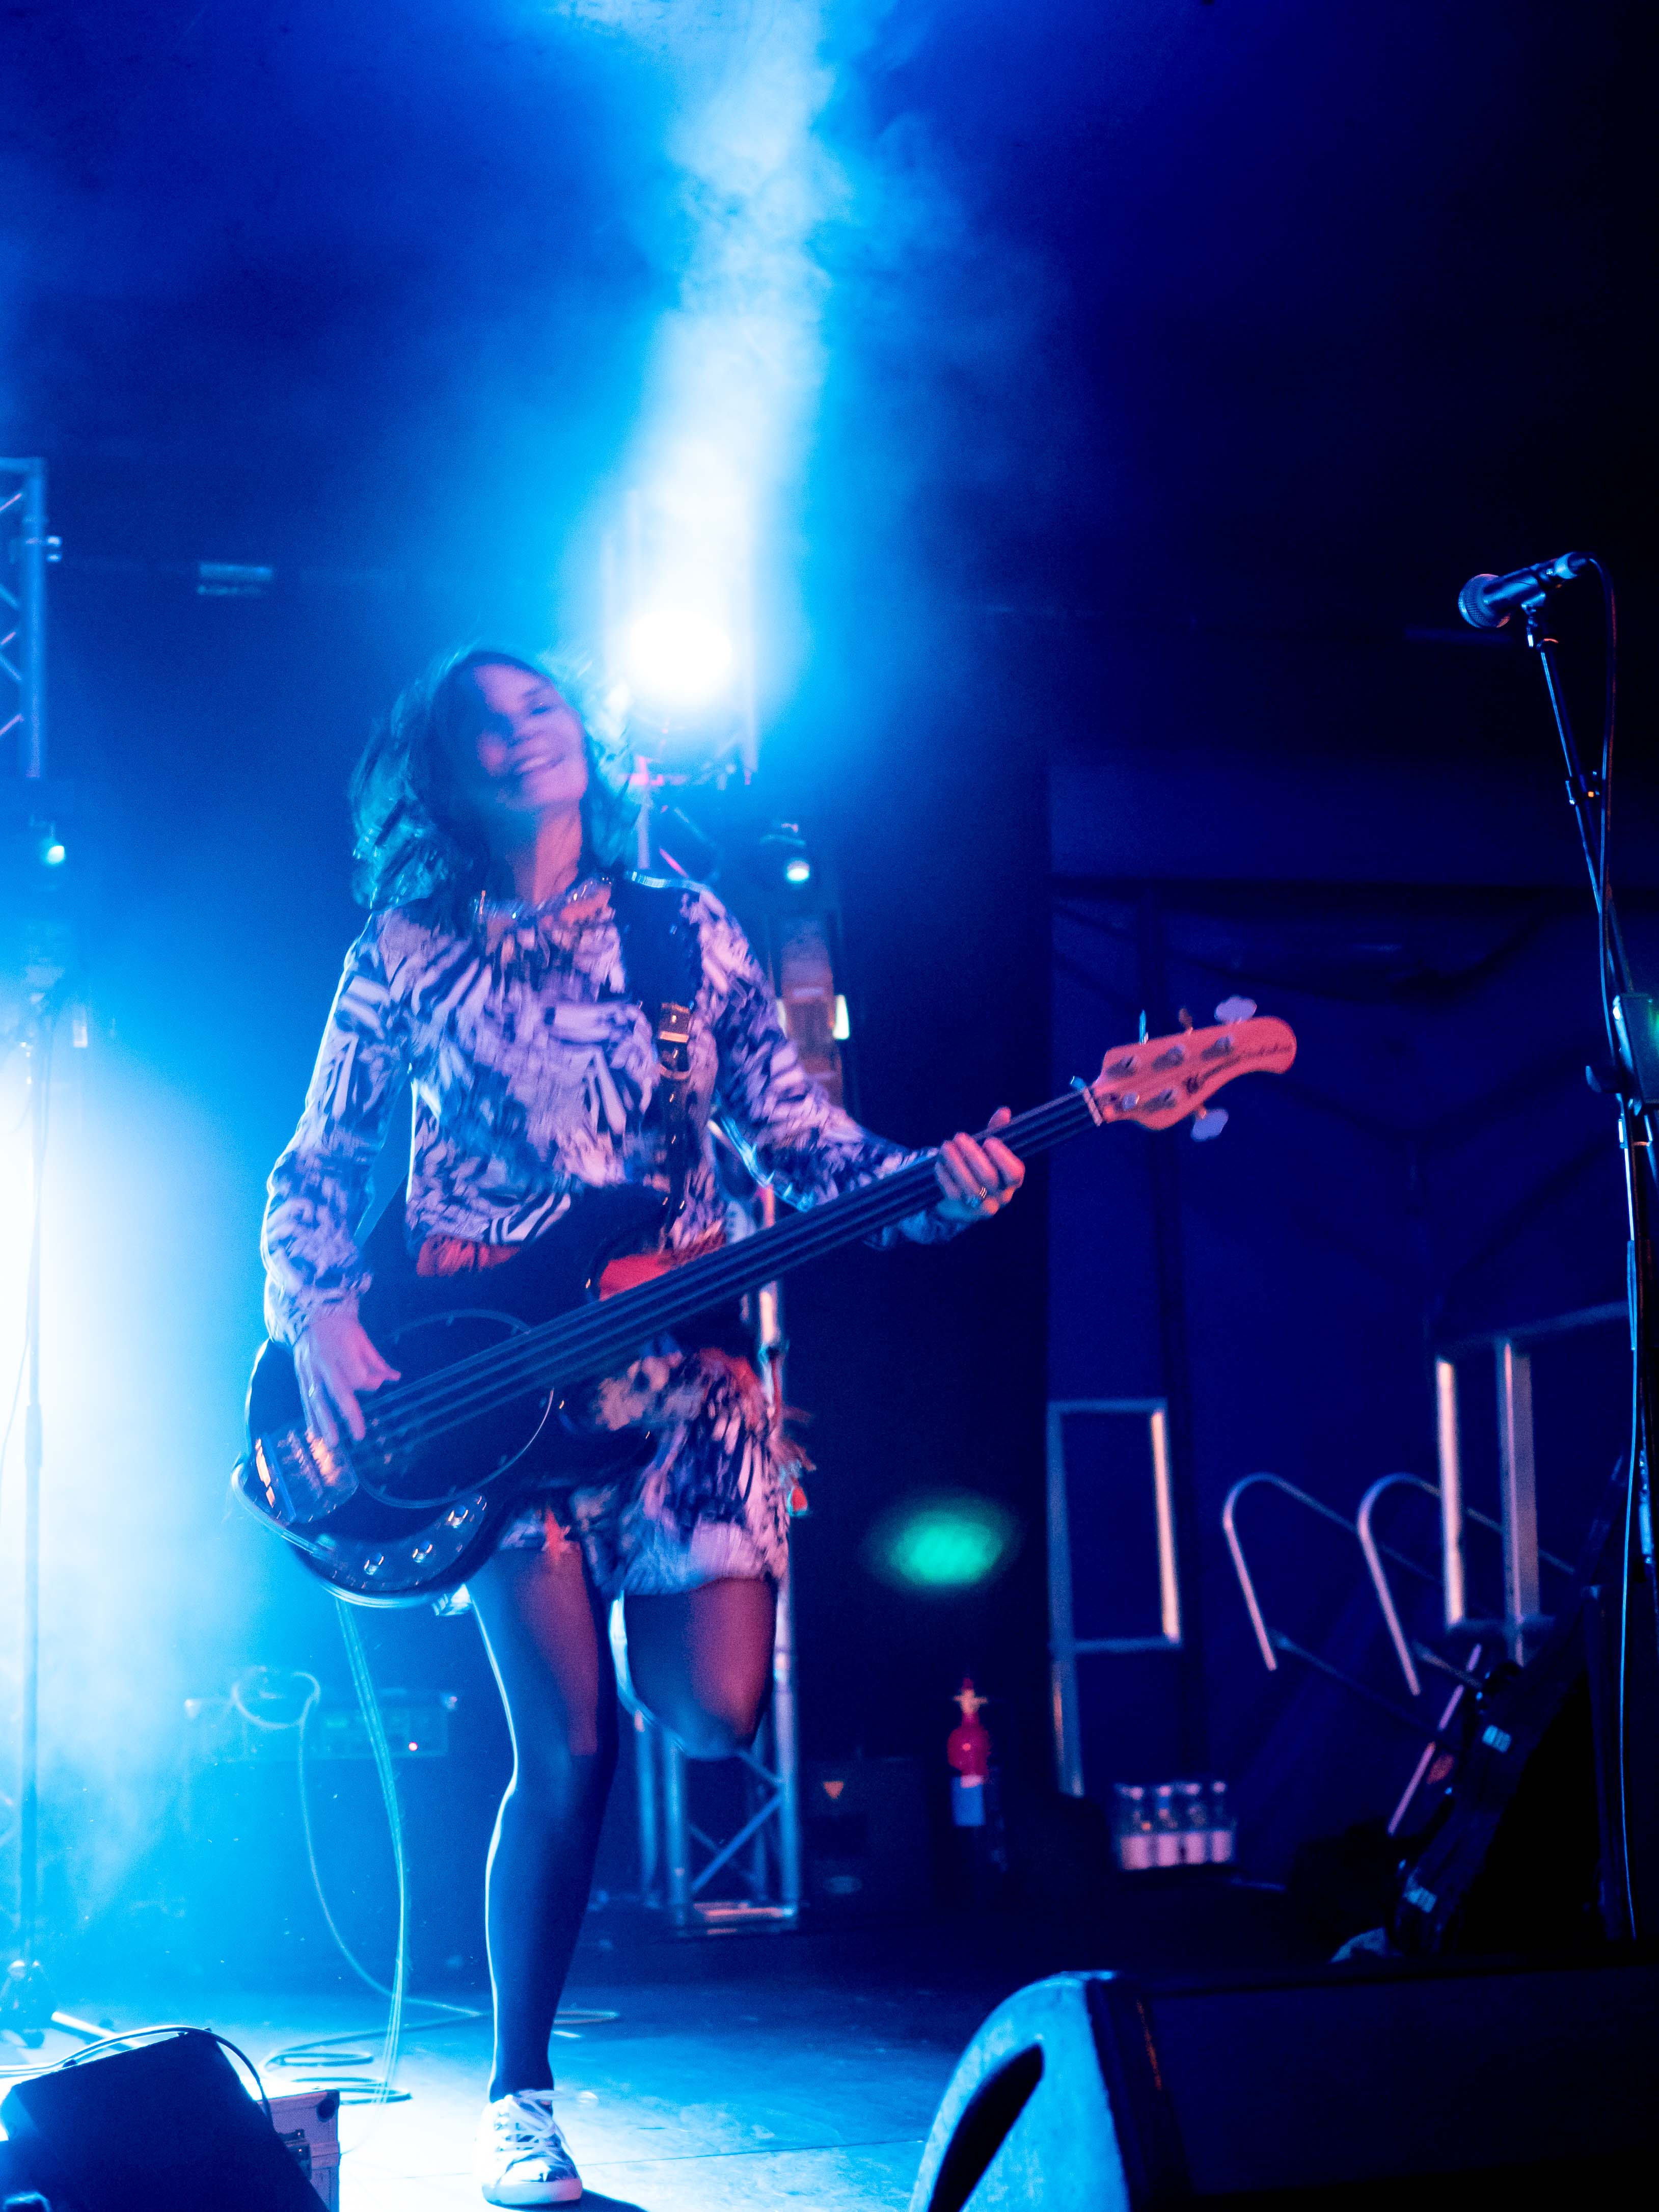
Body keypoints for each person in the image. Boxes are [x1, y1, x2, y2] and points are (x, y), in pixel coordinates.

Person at [260, 646, 1024, 2207]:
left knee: (717, 1712)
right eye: (484, 723)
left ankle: (635, 1666)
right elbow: (318, 1168)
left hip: (678, 1384)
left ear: (582, 739)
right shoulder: (404, 947)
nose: (521, 733)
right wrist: (322, 1312)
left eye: (540, 706)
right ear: (443, 772)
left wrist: (934, 1191)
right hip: (490, 1395)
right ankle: (517, 2104)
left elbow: (803, 1145)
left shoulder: (685, 932)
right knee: (568, 1750)